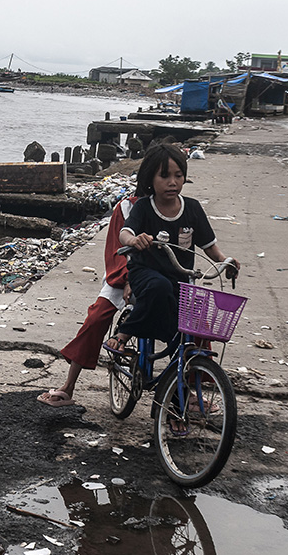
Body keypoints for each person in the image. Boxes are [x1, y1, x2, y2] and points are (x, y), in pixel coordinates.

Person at [105, 144, 239, 352]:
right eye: (165, 176)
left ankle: (181, 377)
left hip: (181, 278)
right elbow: (125, 233)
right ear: (151, 179)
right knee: (159, 287)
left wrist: (226, 261)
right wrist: (133, 241)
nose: (172, 182)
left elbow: (210, 247)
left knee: (185, 332)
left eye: (178, 176)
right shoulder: (143, 207)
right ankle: (125, 331)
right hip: (145, 274)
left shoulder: (192, 208)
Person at [37, 190, 140, 407]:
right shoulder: (126, 207)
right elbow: (117, 251)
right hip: (124, 276)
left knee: (194, 321)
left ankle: (190, 385)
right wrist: (128, 278)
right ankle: (69, 385)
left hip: (157, 278)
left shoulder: (181, 209)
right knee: (95, 319)